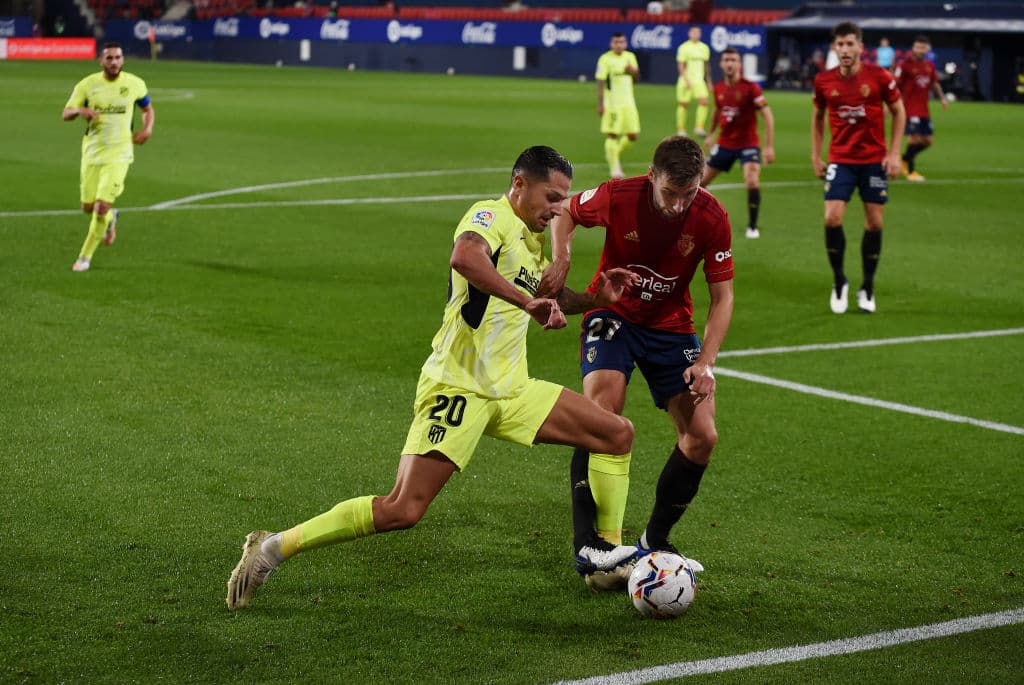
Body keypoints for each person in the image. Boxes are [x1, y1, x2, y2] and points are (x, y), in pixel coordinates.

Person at [226, 146, 643, 611]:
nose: (558, 209)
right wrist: (525, 303)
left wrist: (595, 298)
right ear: (520, 184)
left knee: (615, 433)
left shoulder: (530, 237)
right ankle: (271, 548)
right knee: (402, 509)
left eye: (563, 199)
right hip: (458, 385)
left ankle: (605, 560)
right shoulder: (491, 215)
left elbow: (545, 295)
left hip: (512, 388)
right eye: (552, 196)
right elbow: (465, 257)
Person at [538, 136, 734, 590]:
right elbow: (567, 209)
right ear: (652, 178)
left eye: (690, 193)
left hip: (670, 326)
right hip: (614, 313)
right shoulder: (619, 194)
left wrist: (706, 362)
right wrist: (563, 254)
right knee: (601, 414)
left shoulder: (710, 215)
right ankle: (595, 545)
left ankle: (655, 541)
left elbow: (722, 297)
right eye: (671, 193)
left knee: (702, 436)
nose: (679, 205)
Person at [812, 22, 905, 314]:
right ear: (834, 48)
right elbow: (818, 116)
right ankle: (840, 281)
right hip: (840, 159)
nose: (845, 49)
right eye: (840, 44)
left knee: (874, 223)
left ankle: (867, 286)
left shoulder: (879, 77)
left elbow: (898, 111)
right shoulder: (824, 81)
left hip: (873, 161)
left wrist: (893, 153)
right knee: (831, 218)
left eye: (850, 43)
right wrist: (816, 155)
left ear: (861, 47)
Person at [63, 42, 154, 272]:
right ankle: (112, 218)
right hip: (93, 152)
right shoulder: (88, 84)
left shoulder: (134, 84)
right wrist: (80, 111)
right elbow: (66, 113)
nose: (114, 62)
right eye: (109, 58)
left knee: (100, 206)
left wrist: (147, 129)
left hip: (120, 153)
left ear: (122, 60)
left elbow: (147, 109)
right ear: (101, 61)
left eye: (118, 57)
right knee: (87, 206)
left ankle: (84, 257)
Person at [702, 47, 775, 239]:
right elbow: (717, 111)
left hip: (748, 144)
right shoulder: (718, 88)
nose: (729, 63)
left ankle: (753, 226)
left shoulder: (751, 88)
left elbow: (767, 116)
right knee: (699, 183)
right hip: (725, 143)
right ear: (721, 63)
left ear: (739, 64)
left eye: (733, 60)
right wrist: (710, 134)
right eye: (726, 60)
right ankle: (702, 219)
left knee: (752, 181)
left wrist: (768, 147)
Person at [895, 35, 948, 182]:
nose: (920, 50)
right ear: (913, 48)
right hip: (909, 108)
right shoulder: (904, 65)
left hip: (924, 109)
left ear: (927, 49)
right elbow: (895, 85)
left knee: (928, 141)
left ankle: (904, 159)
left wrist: (942, 98)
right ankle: (910, 171)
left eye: (923, 47)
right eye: (917, 47)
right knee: (914, 139)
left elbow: (935, 84)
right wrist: (891, 104)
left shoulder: (929, 65)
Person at [595, 32, 640, 180]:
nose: (619, 45)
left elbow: (636, 79)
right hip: (613, 104)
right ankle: (615, 168)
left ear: (625, 43)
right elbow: (600, 82)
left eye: (621, 42)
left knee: (633, 135)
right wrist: (601, 104)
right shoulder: (605, 59)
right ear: (611, 44)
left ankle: (613, 154)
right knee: (612, 134)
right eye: (616, 42)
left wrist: (633, 72)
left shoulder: (630, 57)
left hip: (629, 103)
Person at [675, 26, 711, 138]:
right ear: (689, 34)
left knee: (704, 102)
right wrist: (686, 79)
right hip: (686, 80)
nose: (696, 34)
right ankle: (681, 129)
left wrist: (708, 80)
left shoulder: (704, 48)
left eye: (698, 32)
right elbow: (681, 65)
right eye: (694, 32)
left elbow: (706, 65)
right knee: (683, 104)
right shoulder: (684, 47)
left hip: (699, 81)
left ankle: (699, 127)